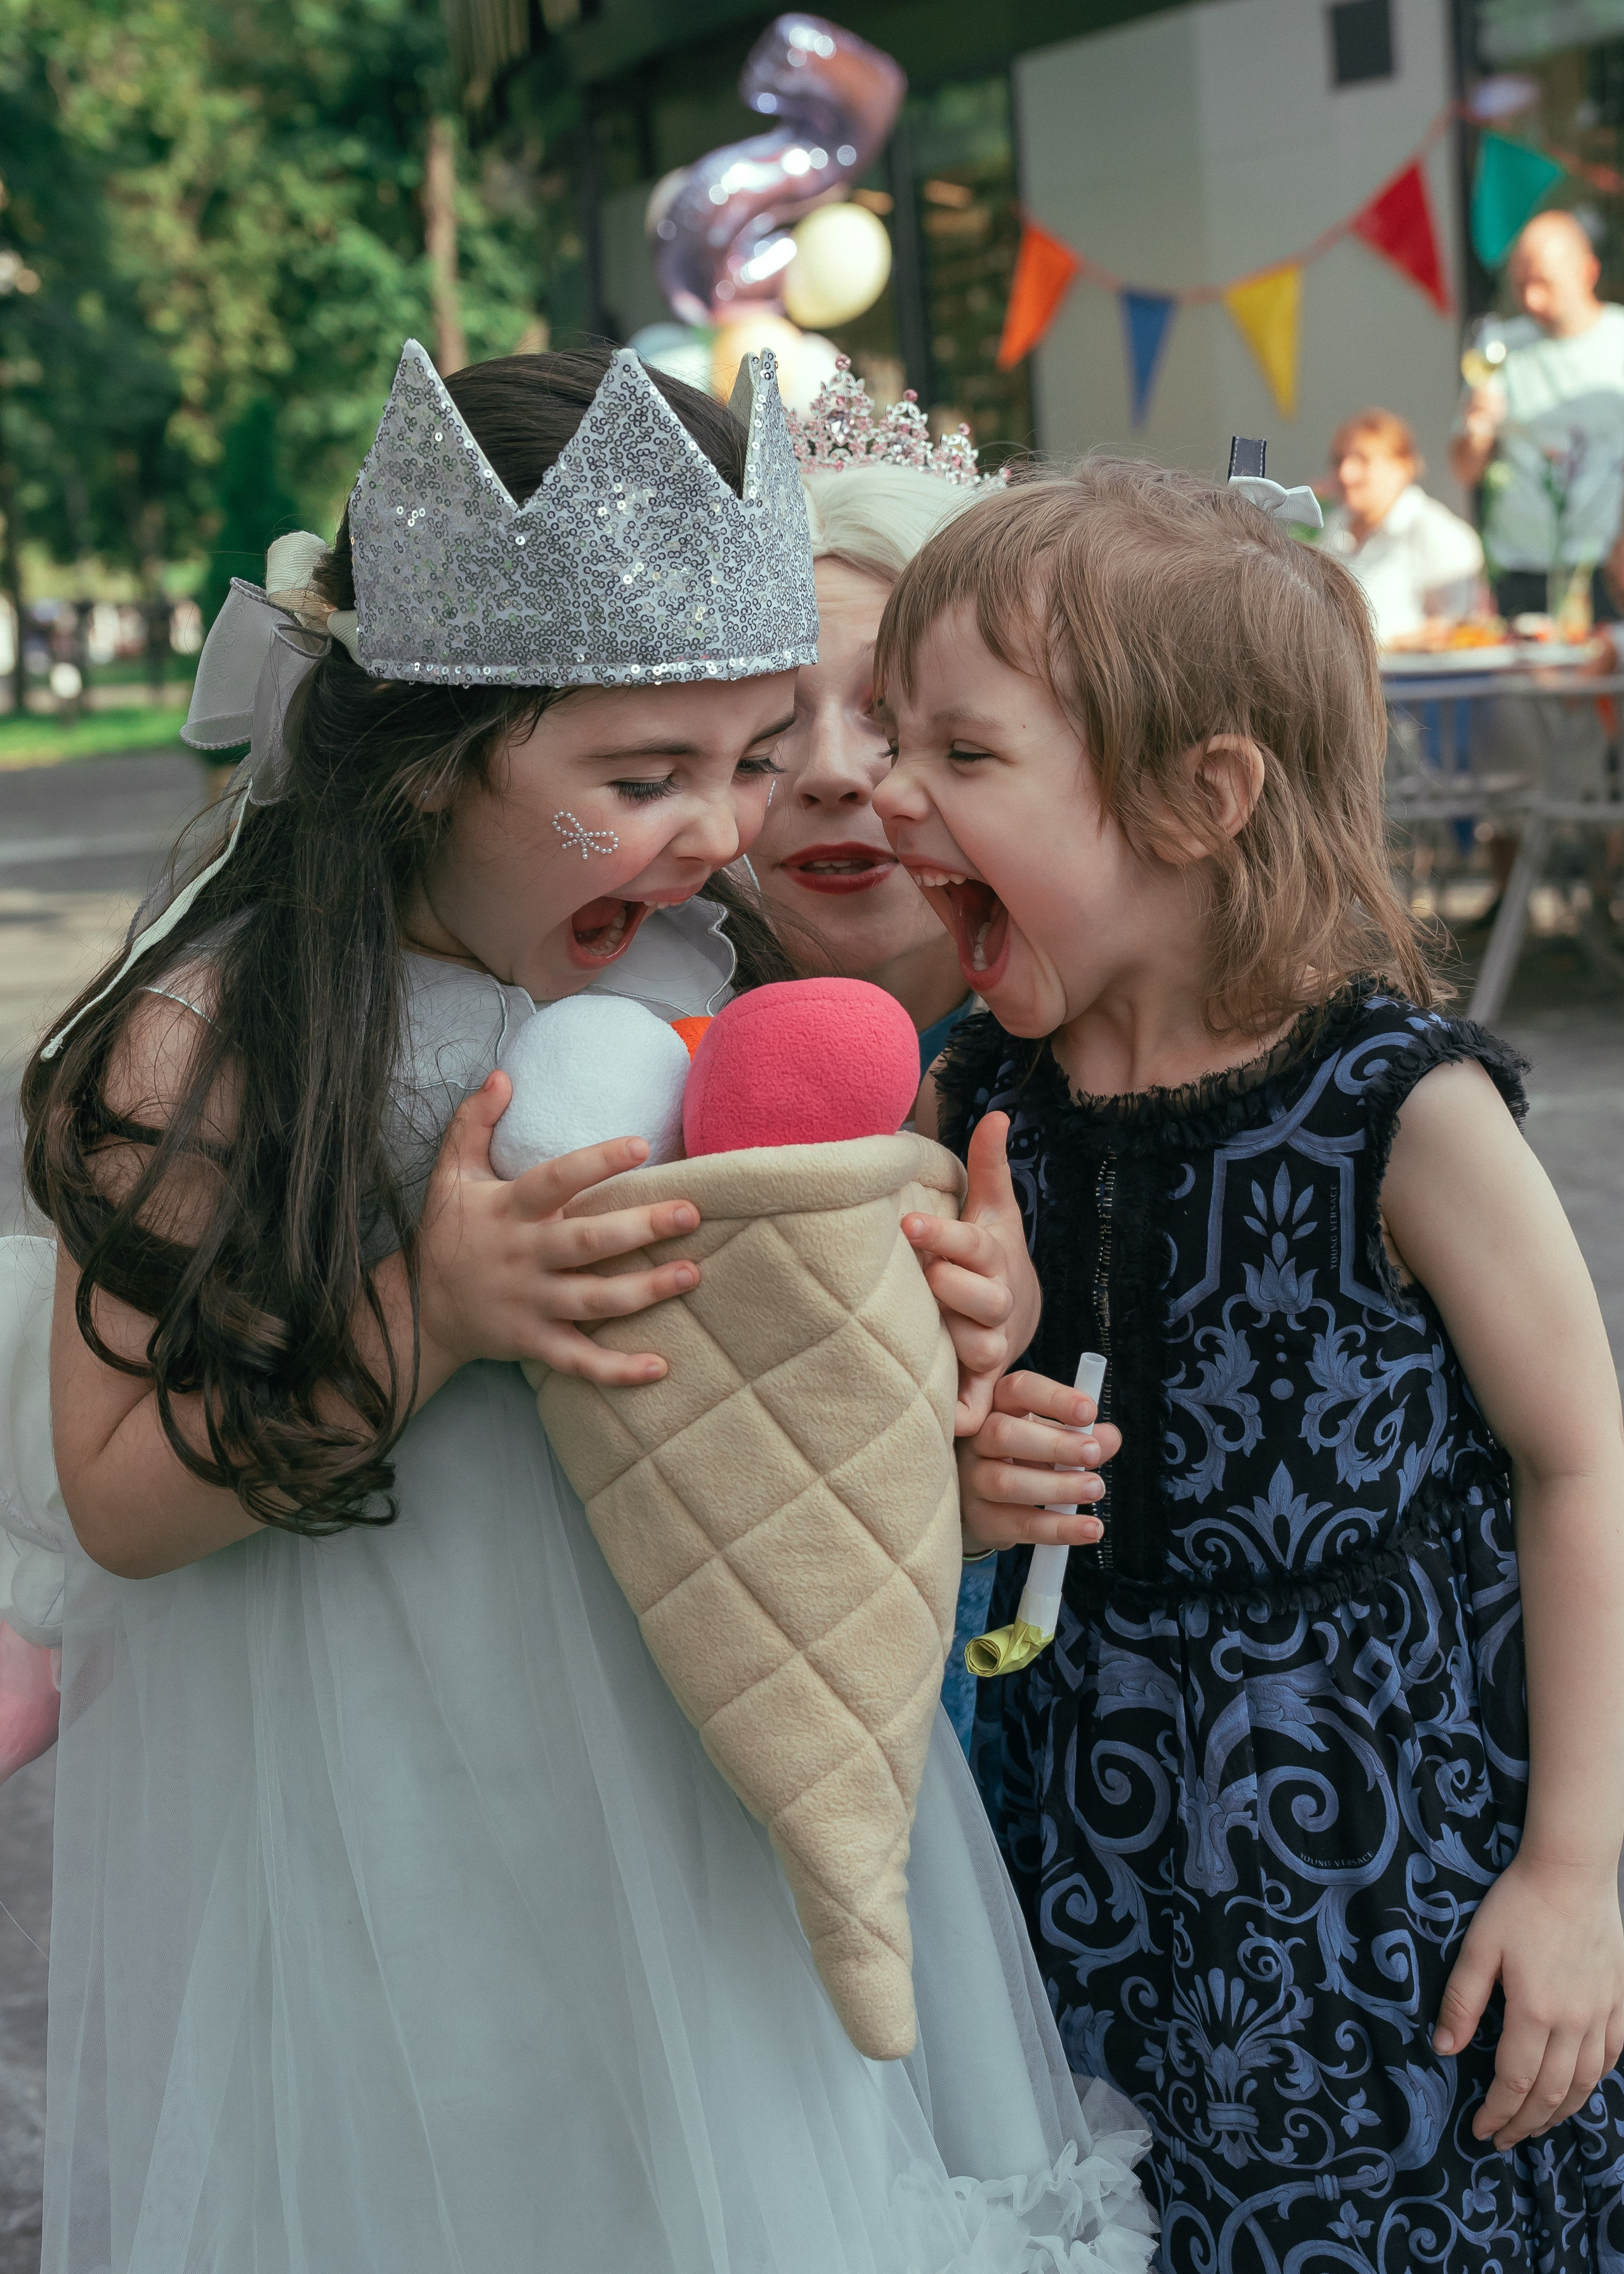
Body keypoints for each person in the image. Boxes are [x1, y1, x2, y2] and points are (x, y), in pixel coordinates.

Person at [9, 346, 1156, 2271]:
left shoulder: (695, 975)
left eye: (752, 750)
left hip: (698, 1787)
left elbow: (761, 1364)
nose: (725, 827)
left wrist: (940, 1339)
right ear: (434, 756)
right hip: (381, 1821)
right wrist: (429, 1312)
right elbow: (119, 1495)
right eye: (645, 776)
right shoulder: (211, 1046)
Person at [870, 456, 1624, 2268]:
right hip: (1077, 1844)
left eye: (961, 757)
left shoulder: (1400, 1110)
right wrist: (957, 1458)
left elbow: (1579, 1460)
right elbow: (890, 1437)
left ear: (1200, 798)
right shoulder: (973, 1093)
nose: (888, 793)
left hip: (1383, 1879)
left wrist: (1577, 1876)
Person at [750, 359, 1002, 1748]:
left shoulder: (1126, 1062)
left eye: (889, 711)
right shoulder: (625, 1065)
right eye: (769, 722)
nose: (835, 772)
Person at [1449, 209, 1624, 624]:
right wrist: (1477, 429)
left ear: (1588, 271)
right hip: (1519, 567)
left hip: (1606, 566)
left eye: (1544, 283)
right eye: (1522, 285)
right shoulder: (1500, 348)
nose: (1531, 300)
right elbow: (1464, 469)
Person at [1319, 408, 1483, 644]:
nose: (1346, 474)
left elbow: (1461, 629)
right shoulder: (1331, 528)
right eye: (1338, 461)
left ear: (1403, 467)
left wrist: (1387, 647)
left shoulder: (1439, 533)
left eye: (1363, 460)